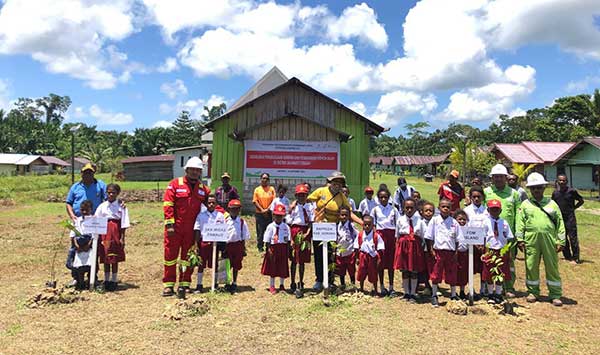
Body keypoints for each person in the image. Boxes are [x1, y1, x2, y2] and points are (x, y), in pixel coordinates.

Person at [162, 157, 210, 297]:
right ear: (187, 170)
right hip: (174, 229)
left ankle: (184, 283)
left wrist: (225, 215)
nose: (195, 172)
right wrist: (169, 225)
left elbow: (212, 206)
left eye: (198, 170)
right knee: (170, 256)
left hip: (192, 230)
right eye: (192, 169)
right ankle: (168, 285)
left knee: (188, 257)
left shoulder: (204, 190)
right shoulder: (175, 184)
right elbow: (168, 205)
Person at [306, 171, 362, 291]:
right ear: (330, 182)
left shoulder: (341, 196)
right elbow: (308, 200)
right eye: (335, 182)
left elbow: (349, 212)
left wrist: (362, 223)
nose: (337, 185)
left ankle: (330, 280)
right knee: (319, 254)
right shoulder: (321, 191)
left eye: (340, 183)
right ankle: (319, 280)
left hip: (333, 230)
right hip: (319, 228)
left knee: (332, 255)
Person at [516, 172, 566, 307]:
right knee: (531, 265)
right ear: (530, 190)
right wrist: (520, 239)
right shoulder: (525, 204)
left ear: (544, 188)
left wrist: (561, 241)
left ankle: (555, 294)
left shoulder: (552, 204)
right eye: (533, 188)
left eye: (539, 187)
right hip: (530, 240)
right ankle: (533, 292)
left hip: (549, 239)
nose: (536, 190)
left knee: (552, 266)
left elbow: (560, 223)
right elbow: (519, 222)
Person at [484, 164, 521, 298]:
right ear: (492, 178)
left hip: (507, 237)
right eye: (496, 177)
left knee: (508, 262)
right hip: (490, 237)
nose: (498, 179)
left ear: (506, 178)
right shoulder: (487, 192)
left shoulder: (514, 194)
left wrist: (518, 233)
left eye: (501, 177)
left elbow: (519, 214)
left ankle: (508, 287)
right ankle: (488, 288)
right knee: (489, 262)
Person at [425, 199, 463, 307]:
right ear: (439, 208)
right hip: (438, 251)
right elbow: (429, 237)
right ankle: (434, 295)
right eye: (443, 207)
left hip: (450, 252)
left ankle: (453, 294)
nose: (445, 209)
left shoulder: (454, 222)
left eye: (448, 207)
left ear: (451, 209)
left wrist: (456, 251)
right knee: (436, 273)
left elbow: (457, 239)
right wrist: (431, 249)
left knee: (452, 273)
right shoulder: (435, 220)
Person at [94, 183, 130, 292]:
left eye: (113, 193)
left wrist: (122, 238)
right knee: (105, 256)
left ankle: (114, 280)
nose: (110, 194)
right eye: (109, 192)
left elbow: (124, 222)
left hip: (116, 231)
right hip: (104, 232)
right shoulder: (102, 206)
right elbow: (96, 219)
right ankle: (106, 280)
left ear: (117, 194)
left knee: (114, 257)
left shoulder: (121, 206)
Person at [394, 198, 426, 303]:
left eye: (411, 208)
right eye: (407, 208)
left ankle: (413, 293)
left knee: (414, 270)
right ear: (403, 208)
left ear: (415, 208)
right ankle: (406, 293)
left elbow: (422, 235)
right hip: (403, 246)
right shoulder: (400, 219)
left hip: (415, 247)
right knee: (404, 270)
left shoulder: (420, 220)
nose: (409, 210)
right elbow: (397, 235)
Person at [482, 199, 513, 304]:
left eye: (496, 209)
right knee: (489, 272)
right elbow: (482, 238)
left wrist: (508, 252)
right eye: (492, 209)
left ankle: (498, 294)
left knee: (500, 271)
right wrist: (483, 251)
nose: (494, 211)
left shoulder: (504, 223)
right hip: (489, 250)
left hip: (502, 250)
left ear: (500, 210)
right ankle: (490, 294)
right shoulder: (485, 222)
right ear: (488, 210)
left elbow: (509, 238)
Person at [193, 195, 225, 293]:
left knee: (215, 264)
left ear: (216, 204)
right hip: (204, 243)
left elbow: (222, 230)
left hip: (215, 244)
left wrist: (222, 244)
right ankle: (199, 285)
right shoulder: (201, 215)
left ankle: (214, 285)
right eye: (209, 202)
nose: (211, 204)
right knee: (201, 265)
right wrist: (195, 245)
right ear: (206, 204)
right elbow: (197, 230)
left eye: (213, 203)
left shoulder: (220, 216)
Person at [371, 188, 400, 296]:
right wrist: (375, 237)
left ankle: (391, 287)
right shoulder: (375, 210)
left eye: (385, 197)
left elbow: (398, 225)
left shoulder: (393, 210)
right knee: (380, 263)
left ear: (389, 198)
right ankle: (382, 286)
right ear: (378, 198)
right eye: (381, 197)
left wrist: (396, 239)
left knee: (391, 263)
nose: (383, 199)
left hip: (391, 237)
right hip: (380, 236)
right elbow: (373, 224)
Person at [286, 184, 314, 296]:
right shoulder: (293, 207)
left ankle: (301, 282)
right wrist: (291, 238)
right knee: (294, 259)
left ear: (307, 196)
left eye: (303, 195)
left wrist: (308, 232)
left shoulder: (310, 206)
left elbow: (312, 220)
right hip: (295, 230)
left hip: (305, 230)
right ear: (296, 196)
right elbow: (288, 222)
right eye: (299, 195)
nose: (301, 197)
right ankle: (292, 282)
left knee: (302, 260)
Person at [552, 174, 584, 264]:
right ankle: (567, 256)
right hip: (560, 218)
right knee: (563, 238)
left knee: (573, 238)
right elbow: (552, 204)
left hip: (570, 218)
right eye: (560, 180)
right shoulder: (555, 193)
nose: (562, 182)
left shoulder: (572, 191)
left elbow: (581, 201)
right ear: (557, 181)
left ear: (567, 181)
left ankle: (576, 258)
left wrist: (574, 208)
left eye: (564, 180)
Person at [464, 185, 488, 298]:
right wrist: (474, 242)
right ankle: (471, 289)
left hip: (484, 244)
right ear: (470, 197)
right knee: (470, 267)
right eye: (474, 197)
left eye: (479, 196)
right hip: (471, 244)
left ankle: (483, 290)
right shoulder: (467, 211)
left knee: (484, 267)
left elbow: (488, 228)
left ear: (483, 197)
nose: (476, 199)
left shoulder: (487, 211)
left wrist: (483, 242)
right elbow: (465, 228)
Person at [261, 204, 290, 295]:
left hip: (282, 248)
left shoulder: (286, 227)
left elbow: (288, 240)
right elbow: (267, 239)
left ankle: (281, 284)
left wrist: (288, 250)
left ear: (283, 216)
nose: (278, 218)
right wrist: (268, 249)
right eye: (277, 215)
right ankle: (272, 285)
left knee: (282, 266)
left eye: (280, 216)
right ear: (273, 215)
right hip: (273, 248)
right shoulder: (270, 226)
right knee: (272, 267)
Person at [66, 200, 94, 290]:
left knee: (90, 265)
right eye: (82, 210)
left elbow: (94, 235)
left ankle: (91, 281)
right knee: (78, 266)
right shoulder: (77, 221)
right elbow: (73, 235)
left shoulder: (94, 221)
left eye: (87, 210)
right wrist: (76, 245)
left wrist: (88, 245)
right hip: (78, 246)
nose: (84, 212)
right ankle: (79, 282)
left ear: (91, 210)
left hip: (89, 246)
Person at [354, 215, 384, 295]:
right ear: (362, 225)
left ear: (373, 225)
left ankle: (375, 290)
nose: (367, 226)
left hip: (372, 257)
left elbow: (381, 248)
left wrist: (379, 258)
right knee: (361, 272)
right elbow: (356, 246)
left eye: (369, 225)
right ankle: (361, 288)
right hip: (362, 256)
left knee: (373, 273)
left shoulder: (376, 236)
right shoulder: (360, 235)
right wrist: (357, 258)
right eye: (365, 224)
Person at [224, 199, 249, 293]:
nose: (235, 211)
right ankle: (227, 282)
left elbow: (244, 236)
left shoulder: (242, 222)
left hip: (238, 246)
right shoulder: (225, 221)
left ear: (239, 210)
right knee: (227, 265)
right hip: (228, 245)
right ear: (228, 209)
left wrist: (243, 248)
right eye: (233, 209)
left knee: (236, 265)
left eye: (237, 209)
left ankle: (234, 282)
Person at [335, 206, 358, 290]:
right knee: (341, 269)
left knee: (351, 269)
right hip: (340, 252)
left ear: (349, 216)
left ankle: (352, 285)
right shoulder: (337, 226)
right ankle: (342, 284)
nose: (344, 217)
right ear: (339, 215)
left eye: (346, 215)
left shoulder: (352, 226)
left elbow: (357, 236)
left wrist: (355, 249)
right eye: (342, 215)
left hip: (350, 251)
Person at [253, 173, 275, 252]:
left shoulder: (271, 189)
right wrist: (262, 210)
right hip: (259, 213)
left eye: (266, 178)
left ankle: (268, 245)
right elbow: (255, 201)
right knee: (260, 230)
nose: (265, 180)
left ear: (269, 180)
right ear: (261, 179)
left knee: (269, 229)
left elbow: (274, 201)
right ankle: (260, 246)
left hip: (269, 213)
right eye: (263, 178)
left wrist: (267, 210)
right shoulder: (257, 189)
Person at [453, 209, 469, 300]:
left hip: (465, 254)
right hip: (456, 253)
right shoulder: (453, 228)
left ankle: (462, 291)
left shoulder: (468, 230)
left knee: (463, 273)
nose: (462, 221)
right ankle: (453, 291)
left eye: (464, 219)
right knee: (455, 272)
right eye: (460, 219)